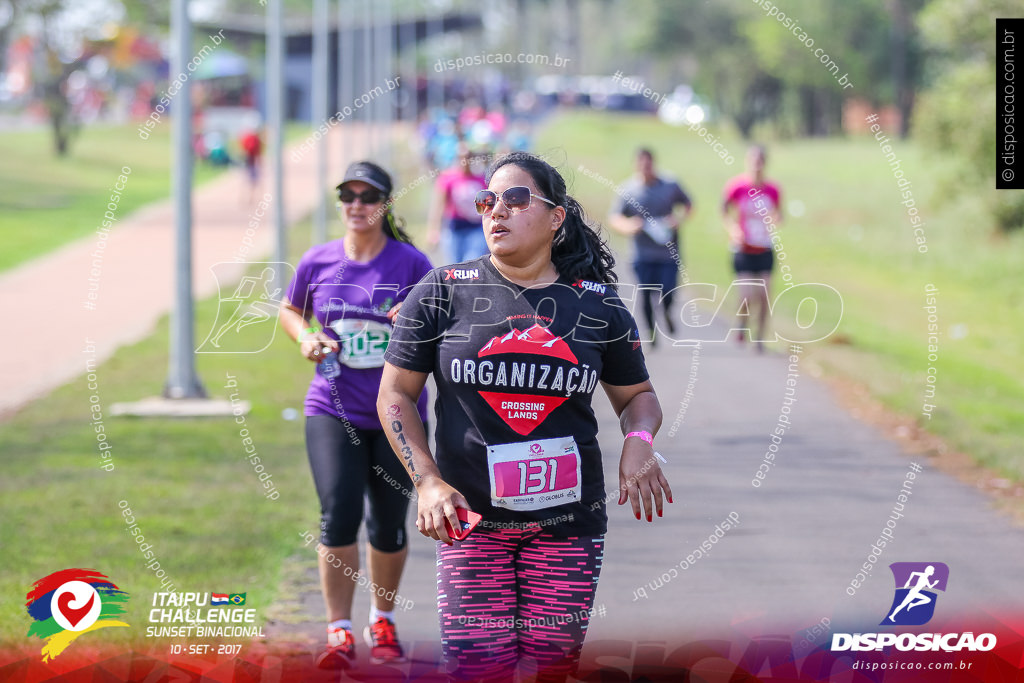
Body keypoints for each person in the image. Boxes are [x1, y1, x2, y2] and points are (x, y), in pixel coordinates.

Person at [378, 152, 673, 682]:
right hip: (472, 523)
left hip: (568, 526)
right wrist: (427, 481)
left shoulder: (597, 305)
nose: (496, 211)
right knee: (477, 668)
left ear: (556, 216)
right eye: (487, 200)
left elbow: (638, 398)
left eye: (515, 199)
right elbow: (395, 394)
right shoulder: (444, 289)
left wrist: (640, 441)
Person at [278, 161, 432, 669]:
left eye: (368, 196)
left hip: (396, 414)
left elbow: (441, 320)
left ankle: (382, 619)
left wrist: (410, 320)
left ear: (385, 204)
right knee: (338, 512)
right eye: (348, 195)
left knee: (387, 525)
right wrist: (306, 337)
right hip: (331, 407)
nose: (357, 205)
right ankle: (338, 630)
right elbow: (290, 309)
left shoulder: (411, 263)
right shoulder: (317, 260)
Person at [608, 148, 692, 344]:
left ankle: (668, 311)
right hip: (642, 254)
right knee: (645, 294)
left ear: (653, 164)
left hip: (668, 253)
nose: (645, 169)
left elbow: (688, 204)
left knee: (668, 291)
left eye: (648, 164)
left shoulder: (670, 185)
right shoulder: (628, 190)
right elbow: (615, 217)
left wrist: (677, 220)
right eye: (641, 165)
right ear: (636, 165)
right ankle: (651, 333)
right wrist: (630, 226)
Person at [721, 145, 782, 352]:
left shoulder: (772, 189)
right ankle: (742, 324)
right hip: (743, 248)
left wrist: (775, 220)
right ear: (747, 162)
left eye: (760, 162)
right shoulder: (737, 186)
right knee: (747, 295)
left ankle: (759, 338)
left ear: (764, 164)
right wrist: (733, 229)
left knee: (764, 295)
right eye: (753, 161)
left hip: (764, 247)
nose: (756, 166)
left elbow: (779, 213)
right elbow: (724, 210)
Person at [427, 142, 489, 264]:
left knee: (472, 262)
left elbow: (489, 206)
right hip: (454, 228)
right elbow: (439, 206)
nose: (465, 161)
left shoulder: (481, 180)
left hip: (476, 228)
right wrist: (434, 230)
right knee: (455, 266)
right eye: (462, 157)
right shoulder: (448, 179)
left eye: (468, 157)